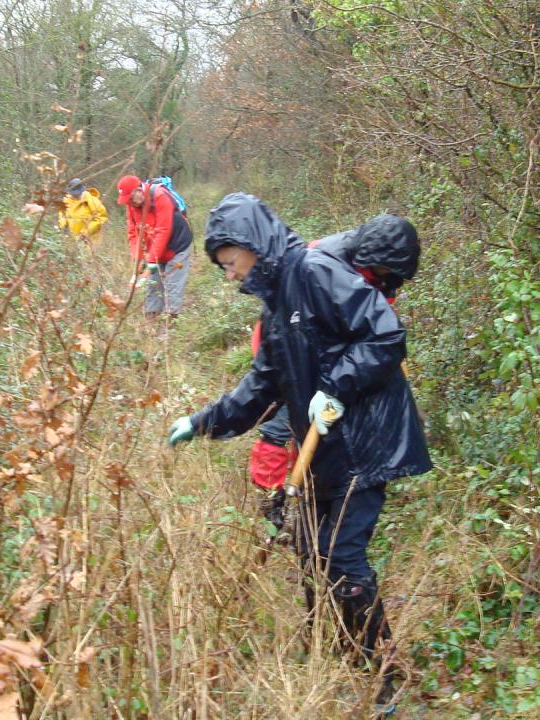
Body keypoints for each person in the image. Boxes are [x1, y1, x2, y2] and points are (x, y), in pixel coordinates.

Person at [166, 194, 431, 713]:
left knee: (339, 554)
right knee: (310, 546)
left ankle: (385, 676)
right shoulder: (277, 298)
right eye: (222, 268)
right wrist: (201, 422)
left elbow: (384, 335)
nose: (227, 275)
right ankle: (340, 648)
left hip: (364, 439)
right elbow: (263, 384)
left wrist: (336, 385)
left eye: (229, 263)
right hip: (329, 445)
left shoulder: (311, 270)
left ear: (251, 244)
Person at [249, 214, 422, 536]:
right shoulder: (319, 266)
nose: (388, 279)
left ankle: (314, 492)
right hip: (288, 350)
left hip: (333, 358)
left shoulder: (379, 271)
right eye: (384, 273)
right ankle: (272, 499)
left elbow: (379, 330)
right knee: (278, 426)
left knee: (325, 426)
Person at [116, 174, 193, 323]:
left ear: (139, 189)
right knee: (152, 285)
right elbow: (133, 233)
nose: (130, 203)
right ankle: (151, 321)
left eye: (131, 198)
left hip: (177, 247)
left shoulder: (160, 197)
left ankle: (171, 324)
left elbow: (163, 232)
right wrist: (137, 260)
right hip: (155, 250)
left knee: (173, 286)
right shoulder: (131, 206)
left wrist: (150, 263)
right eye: (127, 201)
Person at [58, 178, 109, 248]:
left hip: (91, 241)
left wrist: (86, 232)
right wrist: (63, 226)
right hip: (73, 241)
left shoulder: (91, 200)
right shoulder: (66, 201)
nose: (76, 196)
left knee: (88, 257)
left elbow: (101, 217)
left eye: (77, 193)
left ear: (82, 190)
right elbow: (62, 215)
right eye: (73, 193)